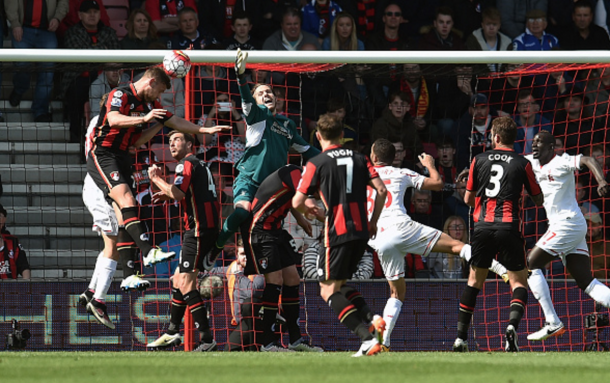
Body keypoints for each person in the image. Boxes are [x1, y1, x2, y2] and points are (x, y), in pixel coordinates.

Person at [86, 67, 228, 320]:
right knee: (127, 201)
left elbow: (170, 123)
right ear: (151, 81)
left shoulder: (147, 105)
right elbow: (113, 120)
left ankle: (122, 278)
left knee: (126, 215)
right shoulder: (120, 94)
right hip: (103, 155)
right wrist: (145, 117)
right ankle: (149, 251)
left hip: (122, 159)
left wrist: (202, 130)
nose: (157, 98)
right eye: (159, 91)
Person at [367, 139, 507, 350]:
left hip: (378, 237)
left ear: (374, 158)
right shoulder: (401, 173)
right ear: (391, 158)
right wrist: (430, 165)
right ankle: (500, 269)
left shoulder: (361, 178)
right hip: (401, 227)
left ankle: (383, 341)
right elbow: (437, 184)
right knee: (455, 246)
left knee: (396, 293)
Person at [202, 49, 320, 269]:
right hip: (249, 179)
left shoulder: (287, 125)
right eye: (261, 93)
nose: (267, 95)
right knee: (241, 211)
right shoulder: (257, 117)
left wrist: (334, 158)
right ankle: (216, 248)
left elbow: (308, 151)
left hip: (273, 188)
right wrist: (241, 76)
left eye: (269, 92)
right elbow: (246, 98)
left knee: (265, 229)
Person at [292, 114, 388, 357]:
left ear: (319, 136)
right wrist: (373, 221)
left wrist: (309, 210)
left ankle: (366, 338)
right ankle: (372, 318)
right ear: (341, 136)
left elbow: (297, 201)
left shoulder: (317, 162)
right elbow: (381, 190)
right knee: (341, 285)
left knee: (327, 290)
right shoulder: (360, 158)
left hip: (337, 231)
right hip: (362, 230)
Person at [453, 116, 544, 353]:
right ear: (514, 139)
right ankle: (512, 327)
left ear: (495, 137)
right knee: (518, 282)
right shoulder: (522, 163)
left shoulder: (478, 159)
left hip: (482, 228)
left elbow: (467, 200)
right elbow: (538, 198)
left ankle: (461, 339)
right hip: (509, 227)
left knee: (474, 281)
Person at [525, 131, 610, 341]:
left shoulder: (562, 161)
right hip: (567, 226)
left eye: (539, 143)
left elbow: (589, 159)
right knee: (587, 282)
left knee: (530, 263)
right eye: (533, 142)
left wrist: (600, 181)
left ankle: (552, 322)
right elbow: (509, 160)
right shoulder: (530, 162)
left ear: (551, 146)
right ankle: (553, 322)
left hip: (568, 223)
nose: (534, 146)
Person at [146, 130, 220, 352]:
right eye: (169, 141)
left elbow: (178, 193)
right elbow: (192, 193)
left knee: (186, 283)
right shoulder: (202, 165)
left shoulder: (185, 164)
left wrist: (156, 178)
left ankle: (207, 339)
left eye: (176, 139)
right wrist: (169, 193)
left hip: (197, 231)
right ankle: (171, 332)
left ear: (190, 144)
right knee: (178, 278)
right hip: (207, 229)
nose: (171, 144)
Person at [240, 164, 323, 352]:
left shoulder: (295, 176)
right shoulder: (293, 172)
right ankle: (267, 342)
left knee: (293, 278)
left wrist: (301, 218)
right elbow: (308, 203)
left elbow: (293, 199)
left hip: (276, 231)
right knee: (275, 280)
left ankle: (295, 339)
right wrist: (335, 222)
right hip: (260, 231)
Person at [62, 0, 119, 144]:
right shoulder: (72, 33)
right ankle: (76, 136)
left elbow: (114, 57)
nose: (92, 15)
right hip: (79, 78)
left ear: (100, 14)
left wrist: (89, 53)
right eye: (88, 12)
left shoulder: (109, 32)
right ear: (80, 15)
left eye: (95, 12)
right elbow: (78, 58)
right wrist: (102, 52)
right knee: (76, 92)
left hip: (104, 78)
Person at [6, 0, 68, 123]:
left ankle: (40, 111)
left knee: (47, 72)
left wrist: (57, 18)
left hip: (47, 32)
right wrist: (15, 23)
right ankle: (20, 89)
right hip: (22, 29)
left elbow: (63, 2)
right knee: (22, 65)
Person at [465, 7, 513, 73]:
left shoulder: (507, 42)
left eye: (494, 24)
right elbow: (473, 66)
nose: (491, 28)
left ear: (499, 25)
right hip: (480, 81)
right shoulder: (473, 40)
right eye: (488, 24)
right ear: (482, 25)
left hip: (501, 81)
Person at [0, 204, 31, 279]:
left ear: (4, 219)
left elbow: (24, 268)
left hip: (10, 289)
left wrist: (27, 289)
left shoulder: (13, 242)